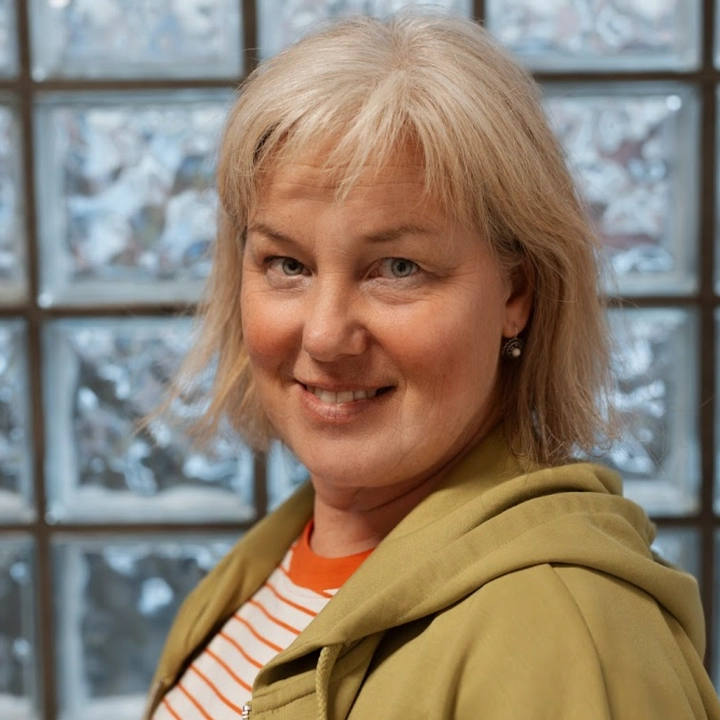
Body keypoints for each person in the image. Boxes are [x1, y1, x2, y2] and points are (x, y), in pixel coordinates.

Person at [144, 12, 720, 720]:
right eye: (287, 264)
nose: (325, 335)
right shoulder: (274, 561)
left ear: (516, 293)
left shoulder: (565, 633)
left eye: (398, 267)